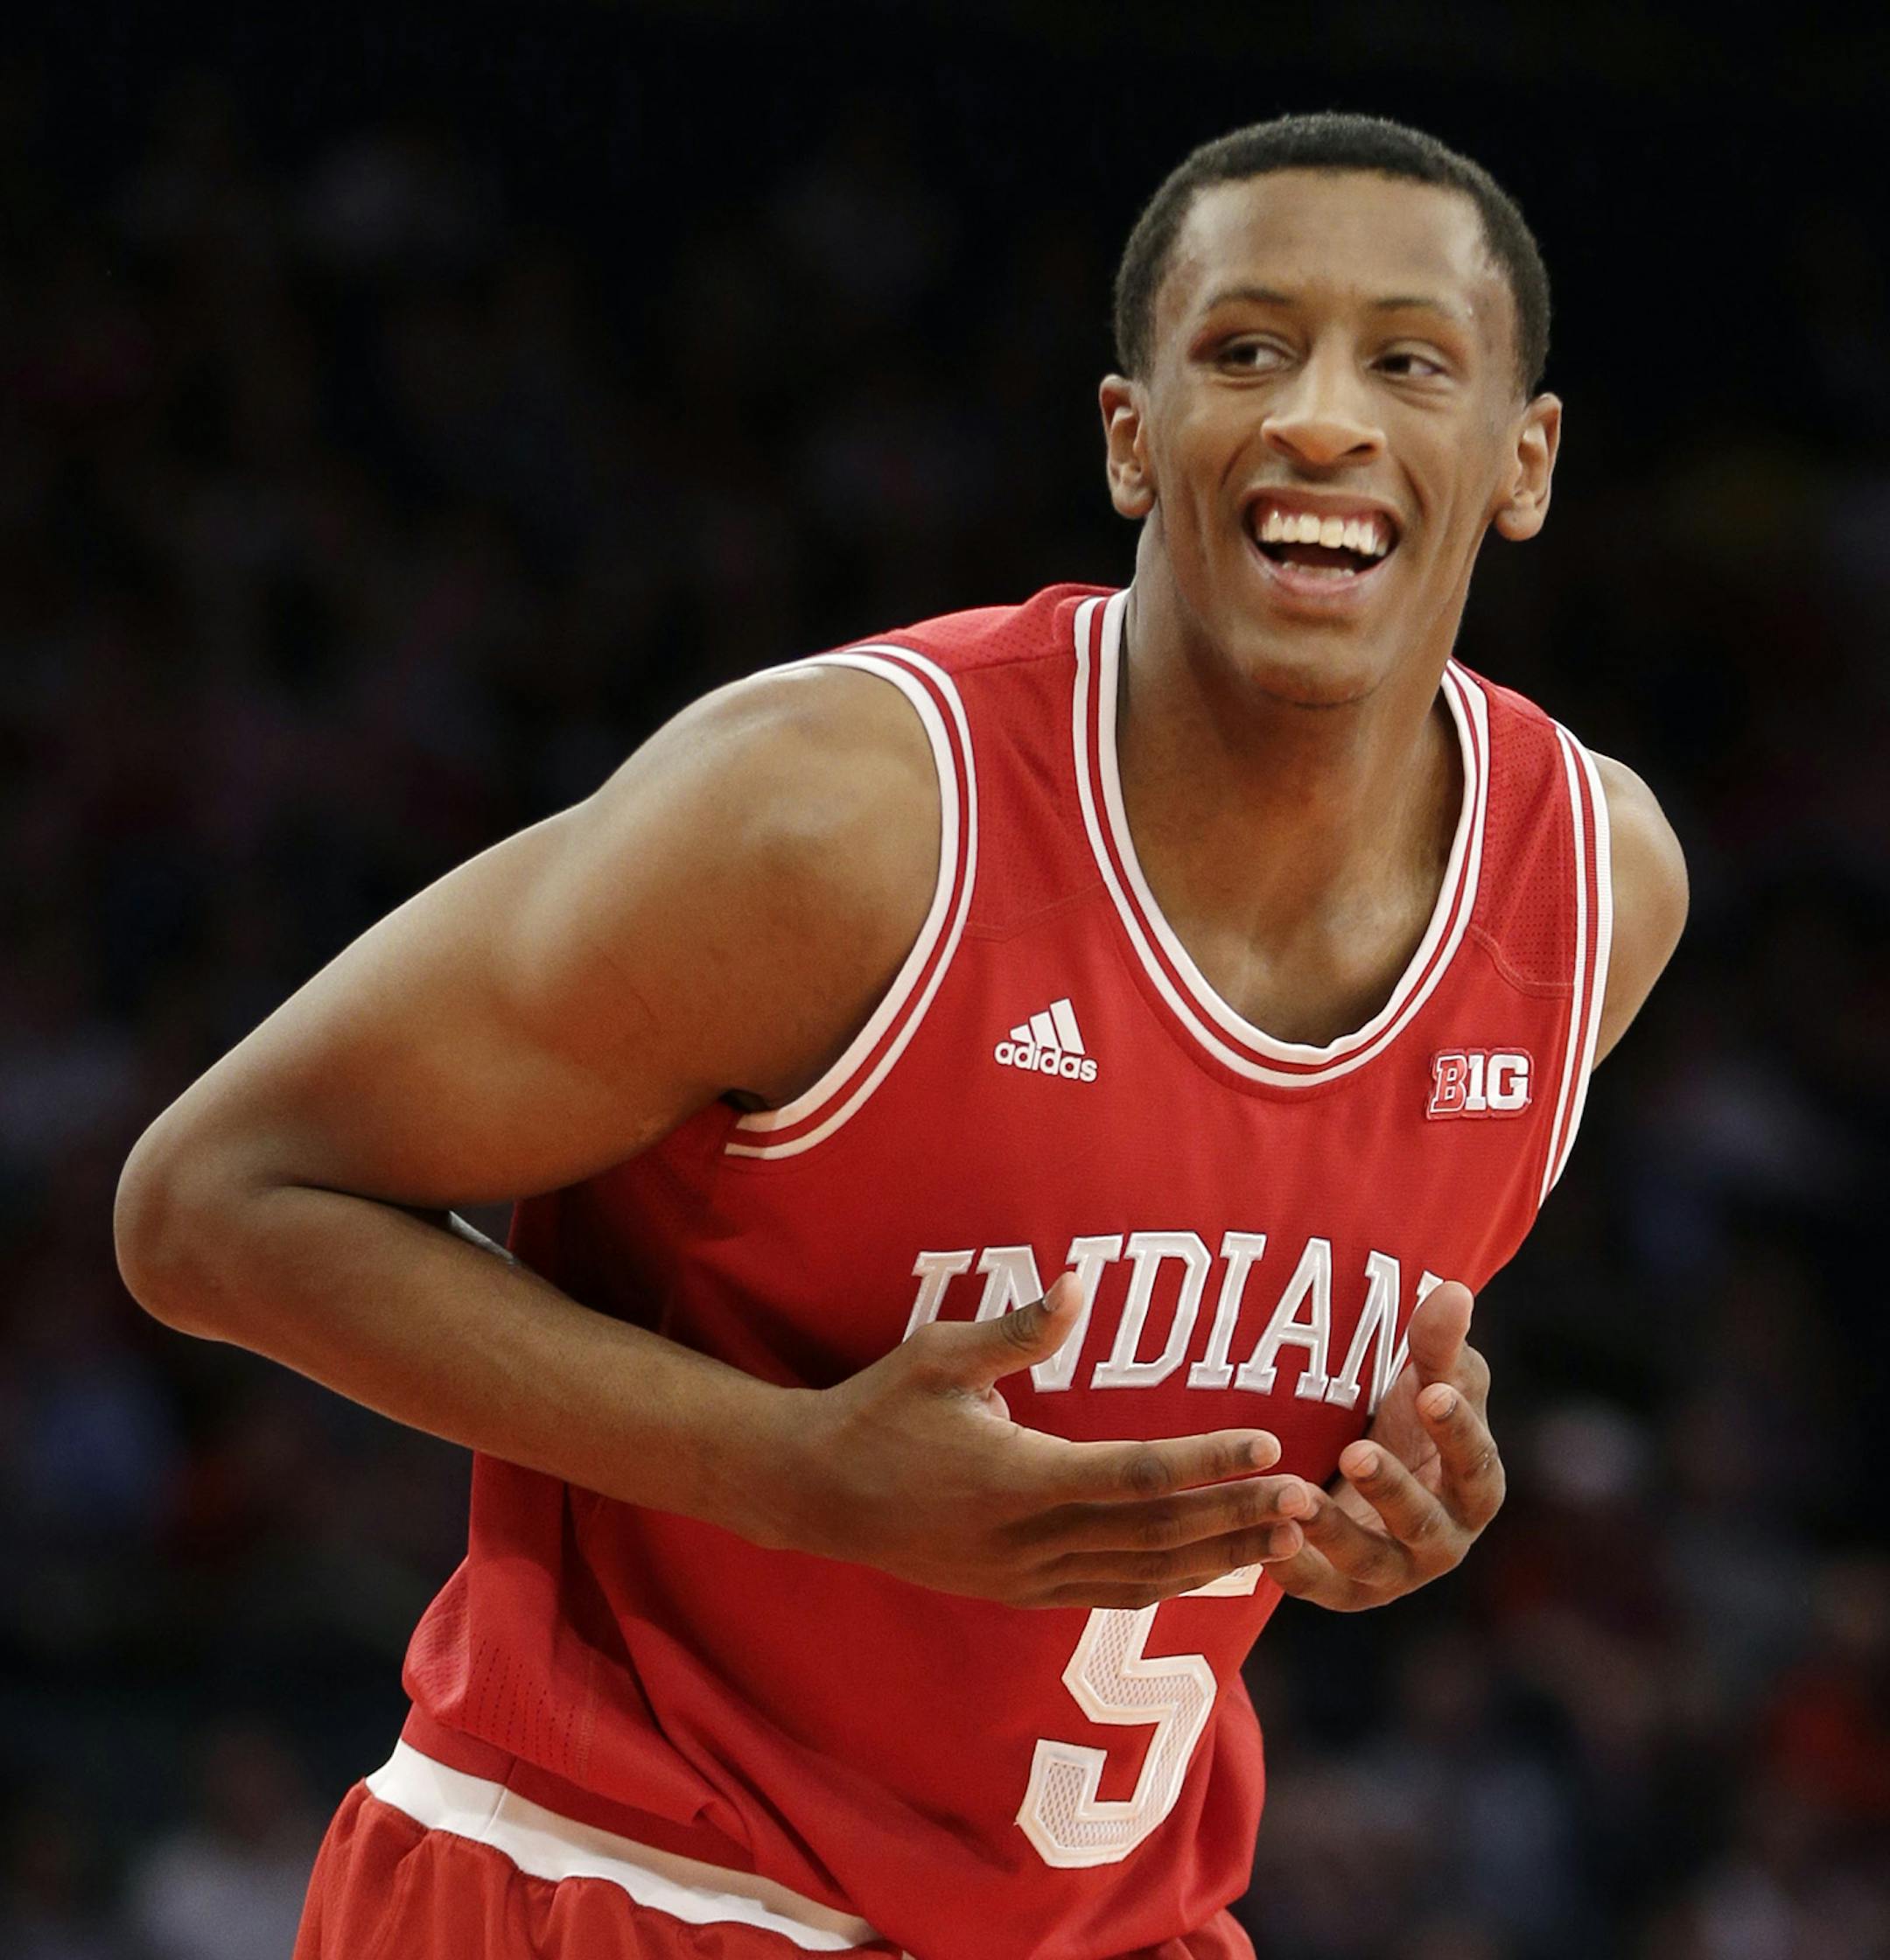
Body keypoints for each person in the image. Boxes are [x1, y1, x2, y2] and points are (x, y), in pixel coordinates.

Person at [113, 111, 1688, 1960]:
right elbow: (209, 1202)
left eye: (1407, 361)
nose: (1324, 418)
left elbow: (1209, 1371)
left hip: (1114, 1922)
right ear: (1129, 435)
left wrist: (1384, 1500)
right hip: (623, 1877)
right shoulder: (847, 816)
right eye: (1245, 349)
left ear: (1524, 459)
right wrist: (788, 1471)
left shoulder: (1592, 890)